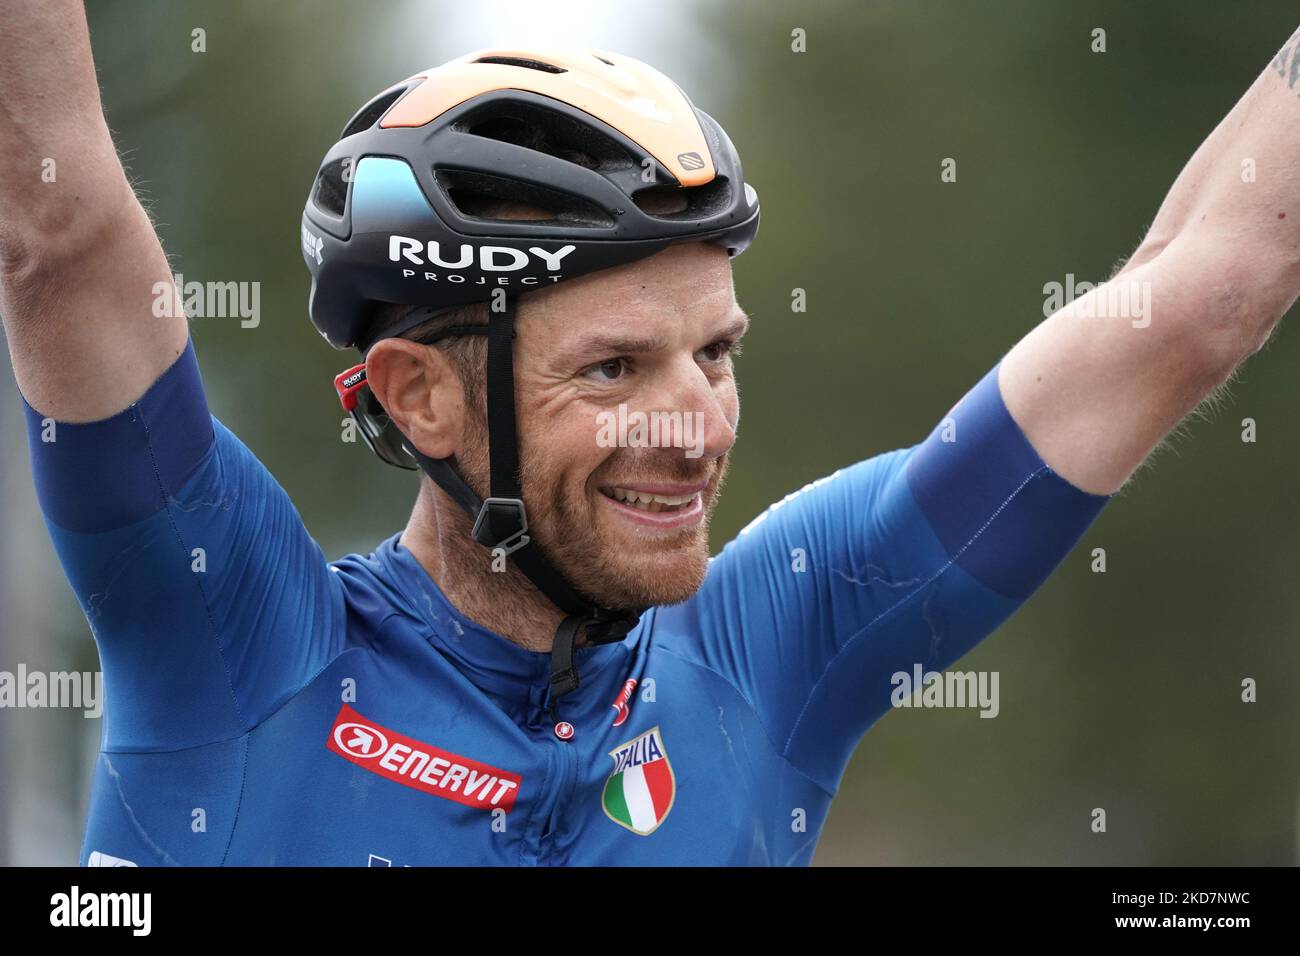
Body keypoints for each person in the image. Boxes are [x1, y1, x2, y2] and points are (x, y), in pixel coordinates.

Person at [1, 2, 1295, 866]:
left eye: (717, 352)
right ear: (417, 397)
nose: (694, 425)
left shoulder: (772, 648)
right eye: (615, 368)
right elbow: (58, 239)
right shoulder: (240, 646)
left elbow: (1197, 298)